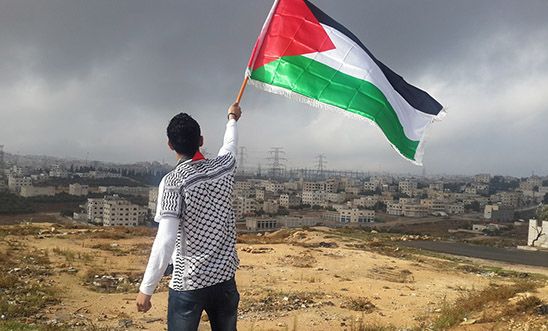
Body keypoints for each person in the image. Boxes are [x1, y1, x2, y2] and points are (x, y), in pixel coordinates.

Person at [136, 103, 242, 331]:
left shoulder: (174, 181)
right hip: (224, 278)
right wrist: (232, 118)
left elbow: (165, 240)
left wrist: (147, 289)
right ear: (201, 140)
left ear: (170, 145)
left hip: (189, 282)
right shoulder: (223, 168)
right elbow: (230, 146)